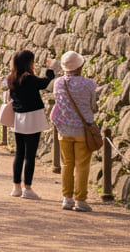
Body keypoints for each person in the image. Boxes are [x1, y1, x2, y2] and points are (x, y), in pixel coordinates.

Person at [50, 50, 98, 212]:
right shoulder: (90, 84)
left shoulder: (58, 83)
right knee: (82, 165)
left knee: (66, 164)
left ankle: (67, 198)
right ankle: (80, 200)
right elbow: (93, 106)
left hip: (64, 129)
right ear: (80, 67)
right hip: (83, 130)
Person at [6, 49, 56, 199]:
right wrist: (51, 68)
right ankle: (27, 188)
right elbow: (47, 82)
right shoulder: (29, 78)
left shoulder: (11, 78)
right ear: (28, 62)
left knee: (19, 154)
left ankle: (16, 187)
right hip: (32, 118)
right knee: (30, 155)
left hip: (19, 118)